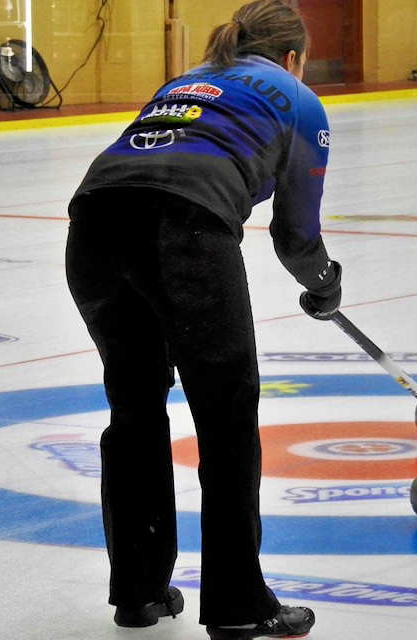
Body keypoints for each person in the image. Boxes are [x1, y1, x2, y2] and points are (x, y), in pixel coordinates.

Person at [65, 1, 338, 638]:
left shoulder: (186, 80)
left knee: (134, 408)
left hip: (93, 229)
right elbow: (296, 238)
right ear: (293, 58)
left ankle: (138, 592)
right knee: (226, 418)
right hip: (183, 233)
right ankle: (239, 606)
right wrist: (325, 284)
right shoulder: (300, 100)